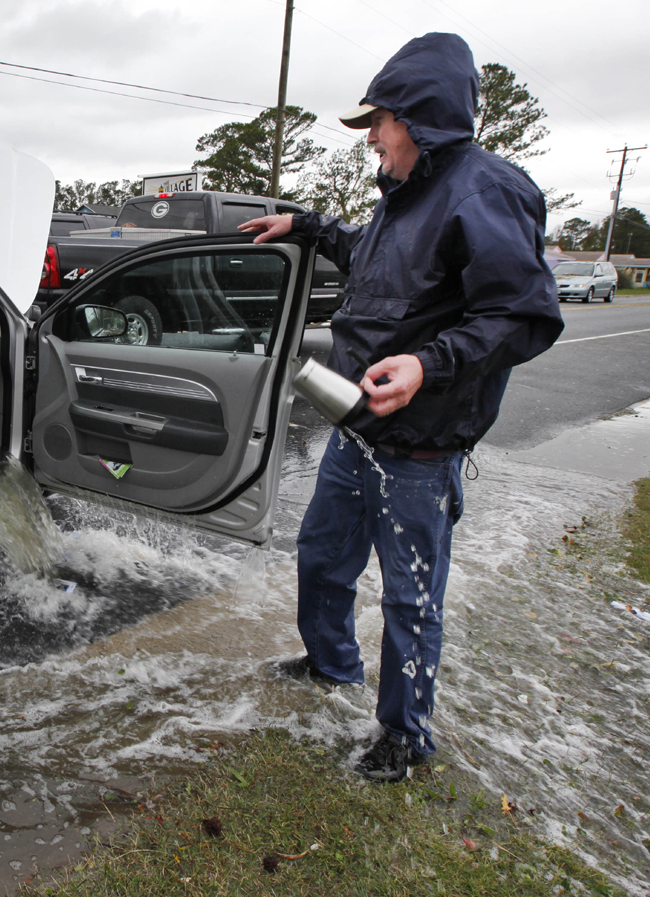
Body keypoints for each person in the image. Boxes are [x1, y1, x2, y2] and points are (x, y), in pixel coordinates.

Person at [239, 33, 563, 782]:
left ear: (416, 118)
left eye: (378, 124)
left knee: (410, 600)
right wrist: (309, 226)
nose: (373, 141)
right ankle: (331, 665)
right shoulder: (401, 199)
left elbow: (521, 314)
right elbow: (371, 257)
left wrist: (427, 364)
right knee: (322, 558)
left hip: (421, 447)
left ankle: (405, 735)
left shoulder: (487, 191)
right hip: (358, 433)